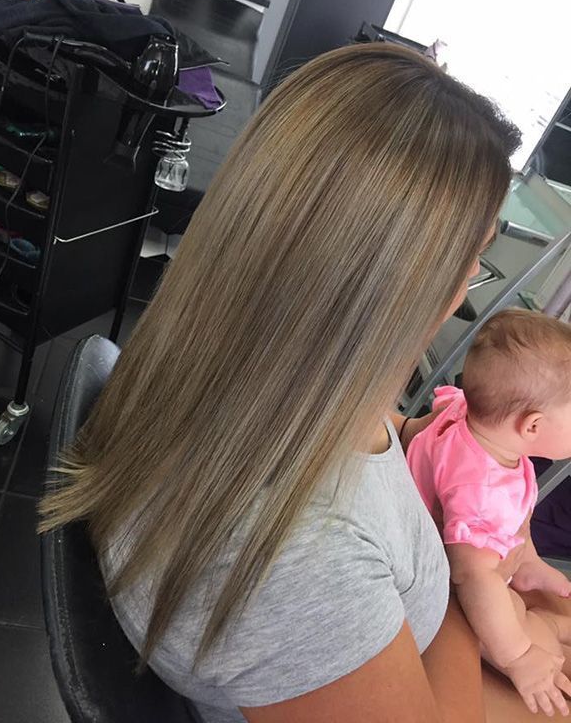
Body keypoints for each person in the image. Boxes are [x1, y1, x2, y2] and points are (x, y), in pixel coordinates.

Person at [39, 43, 569, 722]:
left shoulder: (275, 371)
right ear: (385, 287)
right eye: (471, 255)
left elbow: (372, 464)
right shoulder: (297, 560)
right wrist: (470, 580)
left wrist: (436, 448)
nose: (470, 282)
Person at [407, 309, 571, 717]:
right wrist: (520, 658)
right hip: (449, 592)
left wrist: (527, 559)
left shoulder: (469, 420)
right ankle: (545, 630)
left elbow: (518, 512)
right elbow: (474, 578)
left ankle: (533, 583)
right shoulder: (480, 494)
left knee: (522, 584)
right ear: (532, 426)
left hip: (476, 554)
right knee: (532, 639)